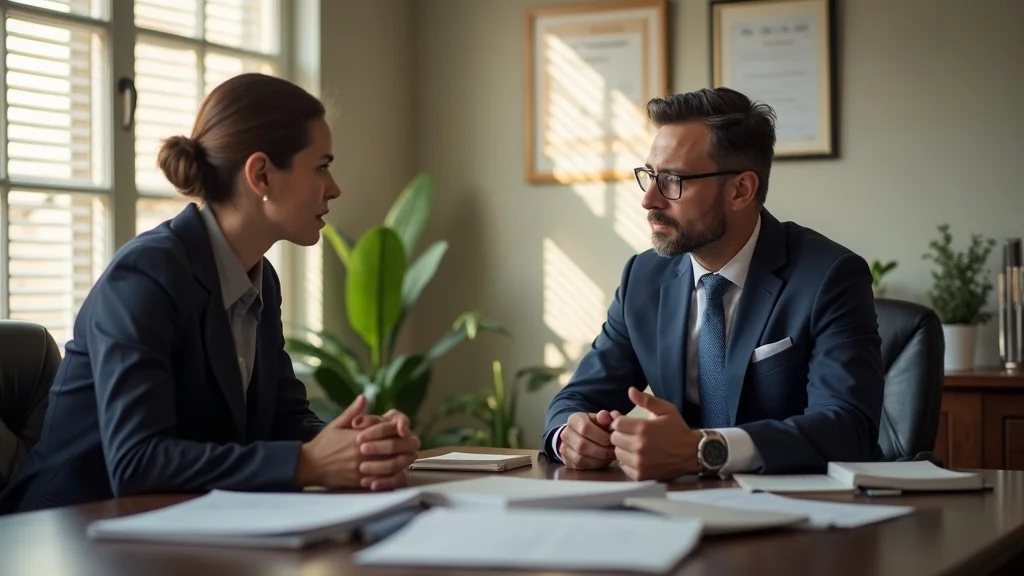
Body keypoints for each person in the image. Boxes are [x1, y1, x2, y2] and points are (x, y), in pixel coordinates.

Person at [0, 73, 420, 515]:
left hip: (177, 527)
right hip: (63, 534)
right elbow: (137, 462)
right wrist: (306, 464)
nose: (334, 187)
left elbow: (283, 418)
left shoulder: (261, 278)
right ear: (261, 174)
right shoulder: (145, 276)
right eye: (321, 166)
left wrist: (362, 445)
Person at [543, 87, 885, 480]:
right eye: (649, 176)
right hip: (677, 509)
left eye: (672, 180)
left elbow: (848, 427)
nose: (649, 199)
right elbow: (577, 397)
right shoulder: (643, 278)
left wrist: (706, 449)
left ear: (741, 189)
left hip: (800, 513)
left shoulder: (829, 276)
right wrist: (569, 434)